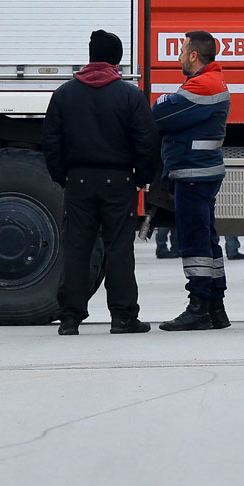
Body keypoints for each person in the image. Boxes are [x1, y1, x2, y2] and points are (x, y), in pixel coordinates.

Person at [41, 30, 160, 336]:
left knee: (77, 247)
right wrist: (143, 178)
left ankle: (69, 318)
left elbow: (51, 141)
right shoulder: (131, 96)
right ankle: (123, 317)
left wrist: (61, 177)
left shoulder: (64, 94)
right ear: (117, 59)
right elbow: (146, 142)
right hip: (119, 181)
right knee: (119, 249)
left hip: (78, 181)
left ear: (91, 56)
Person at [153, 30, 231, 331]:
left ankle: (198, 307)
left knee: (194, 241)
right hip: (200, 173)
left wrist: (163, 100)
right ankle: (216, 308)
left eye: (183, 50)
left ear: (195, 55)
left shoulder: (203, 85)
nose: (179, 56)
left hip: (193, 174)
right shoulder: (211, 82)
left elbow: (159, 113)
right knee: (208, 240)